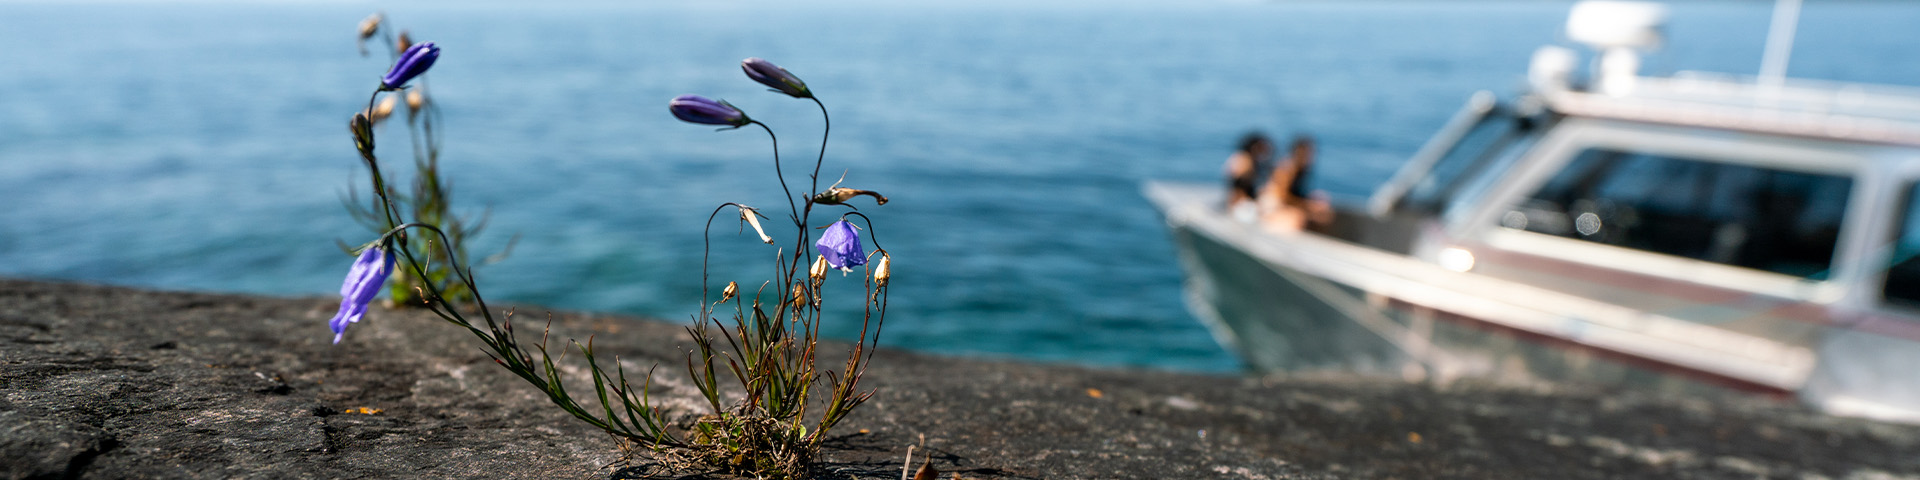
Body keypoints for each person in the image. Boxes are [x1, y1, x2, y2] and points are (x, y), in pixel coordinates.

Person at [1259, 135, 1334, 231]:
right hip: (1271, 208)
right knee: (1299, 218)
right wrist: (1307, 206)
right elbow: (1282, 197)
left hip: (1286, 204)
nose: (1310, 157)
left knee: (1322, 203)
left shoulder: (1301, 170)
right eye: (1307, 153)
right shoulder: (1286, 169)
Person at [1223, 132, 1274, 219]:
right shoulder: (1244, 160)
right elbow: (1238, 185)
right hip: (1242, 205)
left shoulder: (1248, 160)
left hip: (1245, 202)